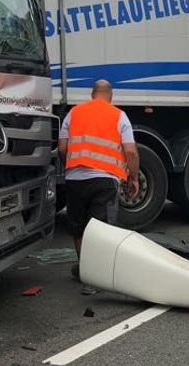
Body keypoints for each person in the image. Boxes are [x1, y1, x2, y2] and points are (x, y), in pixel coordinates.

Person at [58, 80, 139, 280]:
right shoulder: (119, 115)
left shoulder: (73, 113)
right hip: (105, 180)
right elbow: (131, 152)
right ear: (110, 96)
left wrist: (70, 165)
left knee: (78, 228)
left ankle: (86, 273)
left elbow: (61, 148)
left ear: (92, 94)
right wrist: (134, 177)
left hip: (75, 178)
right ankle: (99, 276)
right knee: (102, 230)